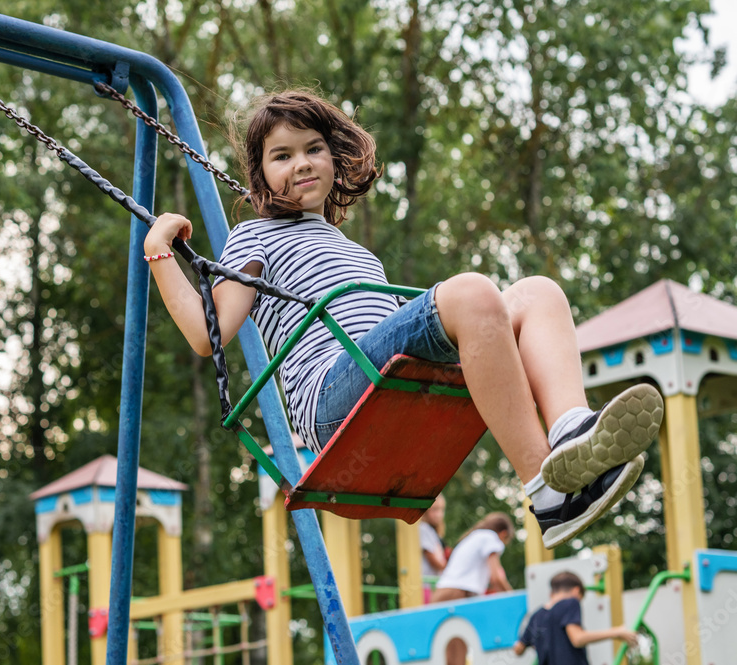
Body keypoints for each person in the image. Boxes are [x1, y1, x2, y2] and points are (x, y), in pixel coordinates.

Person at [143, 90, 663, 549]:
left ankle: (571, 431)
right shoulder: (255, 236)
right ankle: (547, 492)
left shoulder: (360, 256)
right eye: (283, 155)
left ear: (334, 158)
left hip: (385, 379)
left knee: (538, 294)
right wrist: (160, 250)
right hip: (333, 399)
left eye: (313, 149)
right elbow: (205, 333)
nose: (301, 163)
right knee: (473, 292)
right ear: (261, 176)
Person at [514, 571, 639, 664]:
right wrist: (616, 632)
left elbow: (519, 649)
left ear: (552, 593)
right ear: (576, 591)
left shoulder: (537, 615)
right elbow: (577, 638)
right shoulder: (571, 602)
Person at [431, 512, 513, 602]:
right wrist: (513, 599)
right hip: (459, 592)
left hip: (442, 592)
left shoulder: (474, 536)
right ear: (503, 534)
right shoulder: (490, 537)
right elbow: (496, 578)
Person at [420, 495, 447, 603]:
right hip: (426, 585)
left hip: (433, 584)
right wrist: (450, 569)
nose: (439, 515)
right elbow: (433, 560)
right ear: (426, 511)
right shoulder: (423, 528)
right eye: (435, 510)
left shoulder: (433, 532)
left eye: (441, 510)